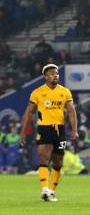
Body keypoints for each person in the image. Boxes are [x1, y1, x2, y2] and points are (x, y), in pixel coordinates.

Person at [19, 64, 78, 202]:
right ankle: (44, 189)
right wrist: (23, 133)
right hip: (44, 128)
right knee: (43, 157)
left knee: (57, 162)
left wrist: (74, 130)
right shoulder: (37, 92)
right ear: (45, 76)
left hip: (59, 130)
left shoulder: (65, 92)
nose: (55, 75)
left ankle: (51, 191)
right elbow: (28, 113)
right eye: (52, 73)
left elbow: (71, 111)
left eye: (56, 73)